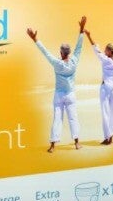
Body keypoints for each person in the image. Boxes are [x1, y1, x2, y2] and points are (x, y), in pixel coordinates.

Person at [27, 16, 87, 153]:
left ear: (61, 52)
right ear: (69, 53)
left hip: (59, 95)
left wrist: (35, 39)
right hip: (70, 94)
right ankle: (77, 143)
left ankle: (53, 146)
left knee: (57, 119)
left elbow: (45, 52)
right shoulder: (74, 61)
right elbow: (79, 47)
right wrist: (81, 29)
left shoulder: (57, 63)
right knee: (73, 118)